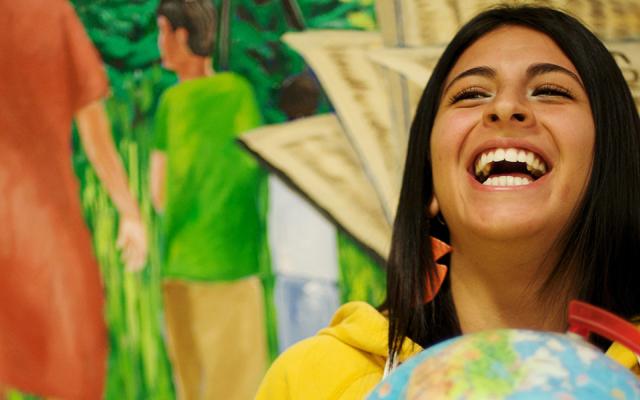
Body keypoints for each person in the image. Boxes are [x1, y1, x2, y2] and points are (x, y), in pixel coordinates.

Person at [256, 4, 640, 399]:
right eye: (471, 95)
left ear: (612, 163)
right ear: (431, 189)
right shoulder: (310, 380)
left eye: (550, 91)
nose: (505, 108)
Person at [0, 0, 147, 399]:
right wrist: (129, 211)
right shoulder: (49, 14)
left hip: (31, 220)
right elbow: (94, 130)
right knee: (74, 361)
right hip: (45, 226)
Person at [149, 1, 269, 398]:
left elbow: (158, 192)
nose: (160, 42)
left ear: (182, 36)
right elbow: (251, 169)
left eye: (163, 31)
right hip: (233, 264)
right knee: (238, 387)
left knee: (191, 386)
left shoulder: (171, 104)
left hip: (182, 264)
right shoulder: (239, 92)